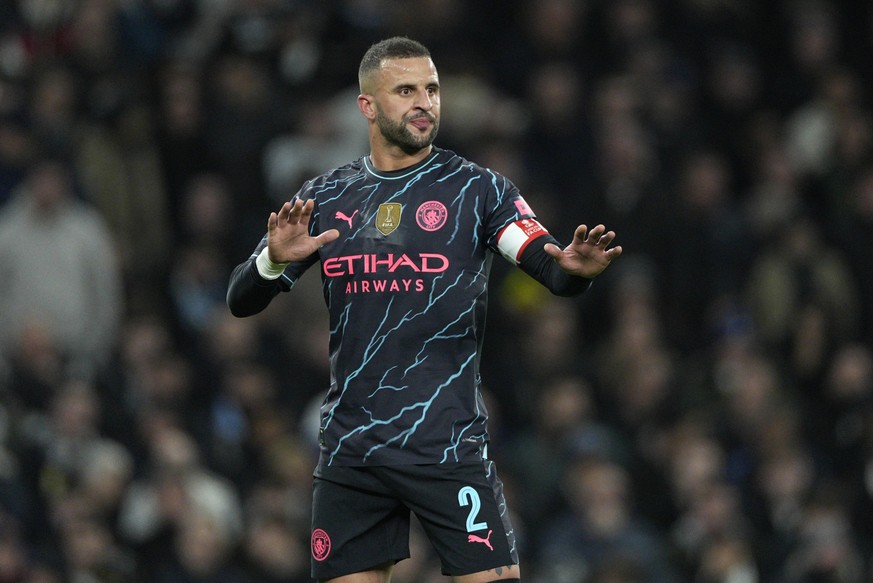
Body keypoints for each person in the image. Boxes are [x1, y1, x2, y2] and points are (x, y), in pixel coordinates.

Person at [226, 36, 622, 583]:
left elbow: (547, 266)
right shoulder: (328, 198)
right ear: (367, 106)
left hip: (445, 441)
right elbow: (241, 300)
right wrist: (272, 259)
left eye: (432, 90)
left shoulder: (478, 191)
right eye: (406, 90)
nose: (425, 102)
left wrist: (573, 272)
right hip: (353, 449)